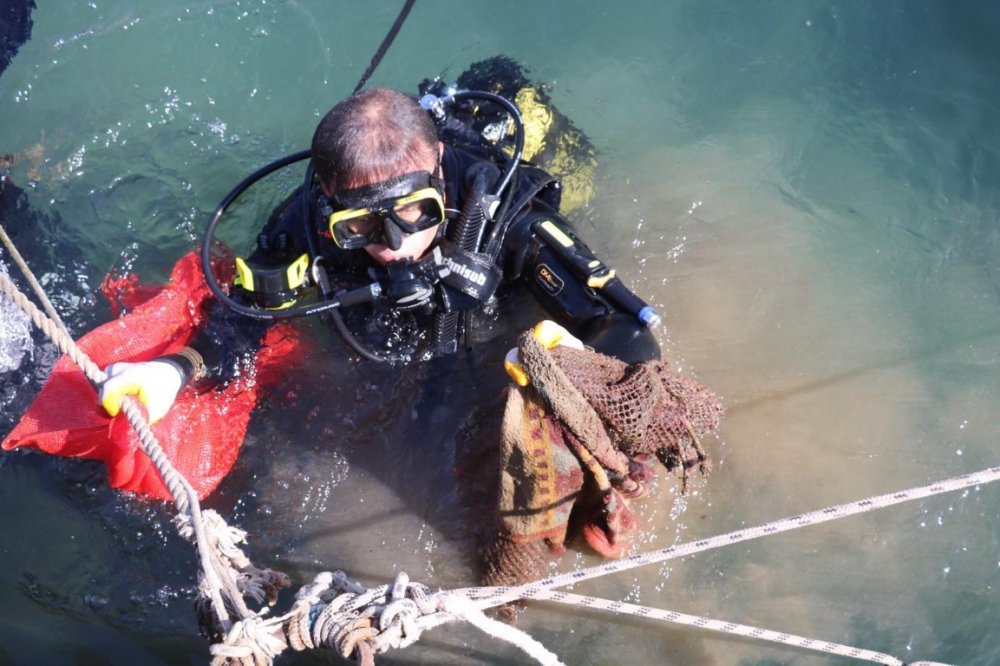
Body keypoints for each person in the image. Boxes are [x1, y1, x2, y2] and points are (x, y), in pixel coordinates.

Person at [98, 64, 661, 423]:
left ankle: (499, 93)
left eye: (417, 214)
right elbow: (241, 320)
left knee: (581, 180)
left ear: (439, 171)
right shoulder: (304, 223)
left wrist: (571, 363)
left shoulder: (504, 213)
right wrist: (175, 369)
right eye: (361, 228)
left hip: (495, 151)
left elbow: (629, 330)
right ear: (327, 196)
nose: (394, 246)